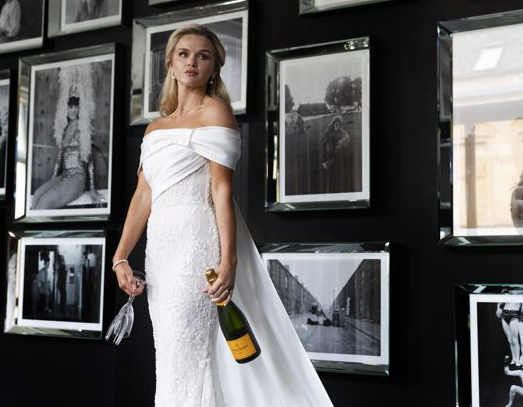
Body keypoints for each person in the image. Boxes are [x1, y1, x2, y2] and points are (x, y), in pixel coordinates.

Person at [112, 24, 333, 406]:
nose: (192, 62)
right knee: (168, 354)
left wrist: (228, 260)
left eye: (203, 55)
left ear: (214, 67)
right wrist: (120, 257)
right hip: (160, 249)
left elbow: (221, 191)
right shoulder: (155, 128)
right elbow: (143, 196)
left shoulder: (216, 112)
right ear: (170, 63)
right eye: (183, 53)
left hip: (195, 244)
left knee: (186, 350)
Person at [31, 65, 104, 210]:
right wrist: (53, 182)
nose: (72, 110)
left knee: (43, 203)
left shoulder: (83, 127)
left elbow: (88, 160)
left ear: (79, 108)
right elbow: (59, 159)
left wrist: (92, 188)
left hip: (77, 178)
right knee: (38, 195)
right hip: (64, 175)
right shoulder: (64, 128)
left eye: (75, 106)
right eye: (70, 106)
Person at [497, 302, 522, 369]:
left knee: (515, 339)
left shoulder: (519, 293)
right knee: (509, 340)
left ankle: (517, 360)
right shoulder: (505, 294)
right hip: (504, 314)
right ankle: (513, 359)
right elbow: (498, 314)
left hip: (514, 314)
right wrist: (499, 305)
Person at [56, 254, 67, 320]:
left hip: (62, 286)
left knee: (63, 299)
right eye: (63, 258)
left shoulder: (61, 267)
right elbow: (62, 278)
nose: (64, 259)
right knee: (63, 299)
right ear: (61, 260)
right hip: (62, 286)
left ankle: (62, 312)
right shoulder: (62, 267)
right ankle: (63, 314)